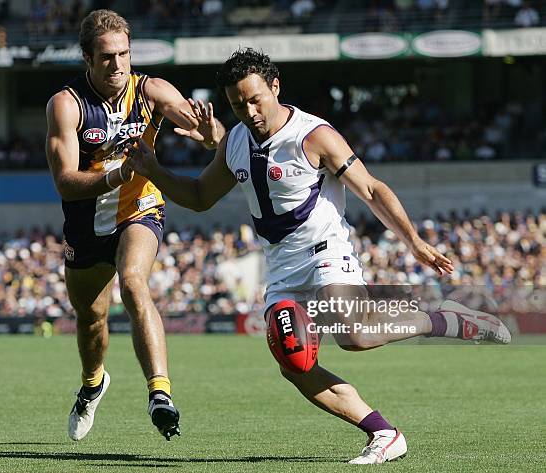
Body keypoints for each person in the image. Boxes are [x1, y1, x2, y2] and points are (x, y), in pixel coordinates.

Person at [124, 48, 511, 463]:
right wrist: (155, 171)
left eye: (256, 99)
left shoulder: (313, 136)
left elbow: (372, 190)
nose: (249, 111)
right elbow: (200, 197)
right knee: (294, 364)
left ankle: (444, 319)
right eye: (238, 104)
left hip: (325, 251)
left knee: (354, 335)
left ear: (275, 87)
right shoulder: (235, 140)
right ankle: (383, 433)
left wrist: (413, 241)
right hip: (281, 271)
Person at [45, 9, 223, 442]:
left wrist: (209, 131)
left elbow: (213, 135)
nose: (118, 65)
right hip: (86, 224)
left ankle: (159, 392)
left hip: (138, 208)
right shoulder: (66, 105)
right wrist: (115, 175)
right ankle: (92, 384)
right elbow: (66, 183)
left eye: (124, 54)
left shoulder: (152, 90)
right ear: (87, 57)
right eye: (107, 57)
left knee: (134, 281)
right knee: (90, 320)